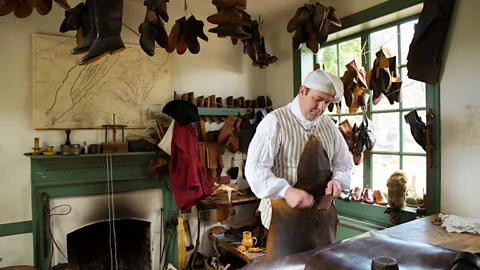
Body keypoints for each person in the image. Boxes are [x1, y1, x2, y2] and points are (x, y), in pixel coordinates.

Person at [244, 69, 353, 232]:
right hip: (281, 220)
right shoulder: (274, 123)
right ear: (303, 91)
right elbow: (255, 170)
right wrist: (285, 190)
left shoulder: (329, 126)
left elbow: (344, 164)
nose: (322, 108)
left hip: (320, 220)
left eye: (328, 103)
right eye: (318, 99)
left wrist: (337, 180)